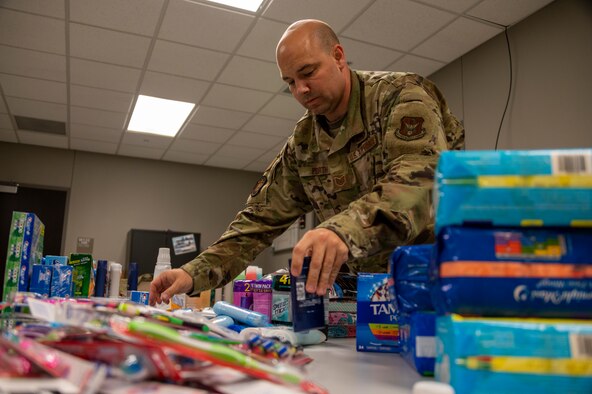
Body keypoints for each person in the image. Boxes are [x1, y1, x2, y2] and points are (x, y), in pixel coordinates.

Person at [149, 19, 464, 306]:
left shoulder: (401, 96)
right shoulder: (304, 143)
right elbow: (256, 221)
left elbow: (417, 183)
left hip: (434, 284)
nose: (300, 90)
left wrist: (341, 231)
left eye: (308, 72)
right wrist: (192, 273)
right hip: (364, 300)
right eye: (289, 82)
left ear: (338, 56)